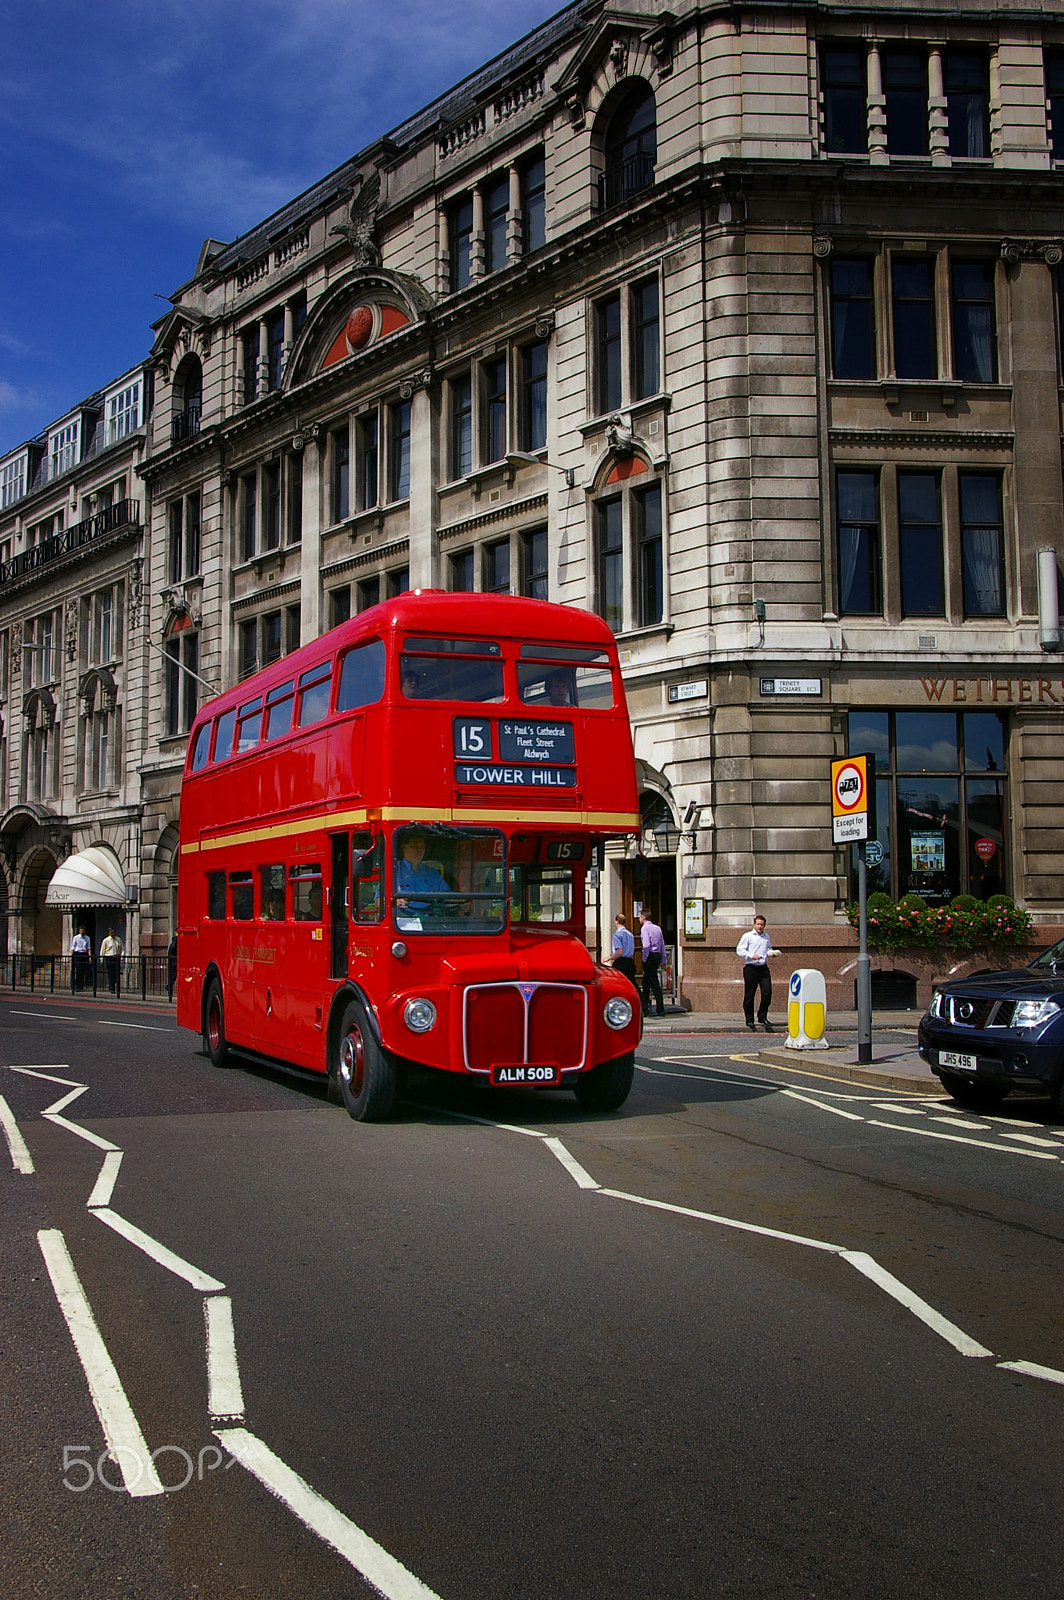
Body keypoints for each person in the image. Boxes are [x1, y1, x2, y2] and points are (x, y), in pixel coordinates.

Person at [736, 914, 777, 1032]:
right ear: (754, 924)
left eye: (762, 925)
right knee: (750, 995)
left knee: (767, 993)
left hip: (763, 968)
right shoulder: (748, 936)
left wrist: (772, 953)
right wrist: (751, 955)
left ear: (764, 926)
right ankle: (749, 1019)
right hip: (751, 968)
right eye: (758, 924)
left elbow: (768, 948)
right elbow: (740, 950)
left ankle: (762, 1016)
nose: (760, 927)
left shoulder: (766, 936)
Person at [394, 831, 450, 913]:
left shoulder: (432, 873)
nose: (419, 850)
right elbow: (378, 902)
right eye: (415, 846)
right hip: (402, 921)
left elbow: (447, 897)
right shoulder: (394, 872)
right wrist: (396, 902)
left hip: (430, 920)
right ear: (404, 847)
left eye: (422, 846)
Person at [638, 909, 666, 1016]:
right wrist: (663, 959)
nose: (639, 919)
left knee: (653, 981)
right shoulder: (657, 928)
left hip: (650, 956)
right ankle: (646, 1005)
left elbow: (646, 945)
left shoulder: (644, 928)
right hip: (657, 956)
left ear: (644, 918)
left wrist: (644, 959)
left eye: (640, 917)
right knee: (646, 981)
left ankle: (660, 1007)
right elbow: (662, 944)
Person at [610, 912, 637, 983]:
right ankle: (639, 994)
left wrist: (610, 958)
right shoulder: (630, 935)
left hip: (621, 963)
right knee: (632, 984)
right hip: (630, 962)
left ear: (617, 922)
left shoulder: (617, 935)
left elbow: (620, 952)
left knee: (618, 984)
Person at [100, 925, 123, 994]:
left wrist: (121, 956)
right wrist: (101, 959)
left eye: (114, 932)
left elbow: (122, 948)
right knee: (110, 973)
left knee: (117, 973)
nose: (113, 934)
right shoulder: (106, 940)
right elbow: (102, 950)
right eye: (111, 932)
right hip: (109, 957)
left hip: (116, 957)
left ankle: (118, 988)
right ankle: (112, 988)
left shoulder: (118, 939)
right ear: (109, 933)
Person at [71, 925, 91, 992]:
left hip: (84, 954)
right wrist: (71, 956)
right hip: (78, 954)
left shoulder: (87, 938)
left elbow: (88, 948)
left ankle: (81, 986)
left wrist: (89, 957)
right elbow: (73, 947)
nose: (82, 932)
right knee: (78, 970)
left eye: (83, 930)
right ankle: (77, 986)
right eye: (81, 930)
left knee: (83, 971)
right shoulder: (76, 938)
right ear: (79, 931)